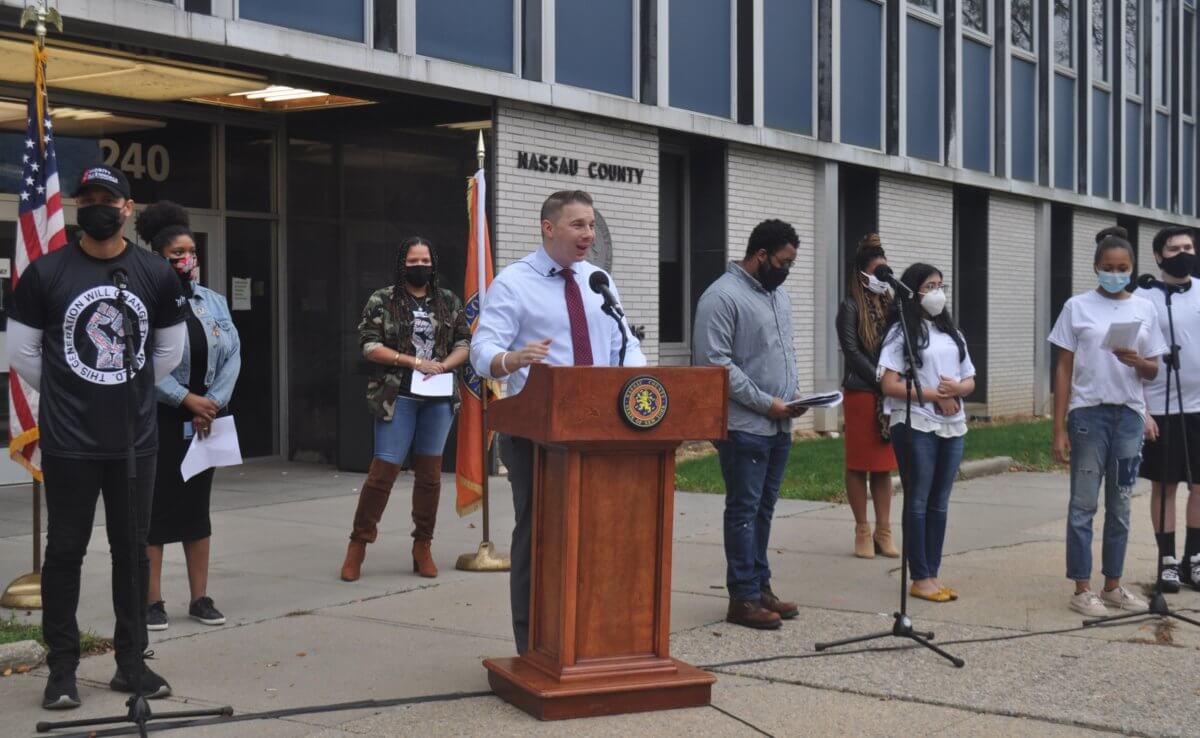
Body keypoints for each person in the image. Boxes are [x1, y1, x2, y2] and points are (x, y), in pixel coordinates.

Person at [6, 165, 187, 709]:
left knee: (132, 553)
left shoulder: (154, 273)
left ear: (128, 208)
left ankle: (131, 664)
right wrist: (70, 390)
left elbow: (168, 353)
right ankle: (61, 669)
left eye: (107, 198)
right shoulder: (46, 272)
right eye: (87, 198)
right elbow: (22, 354)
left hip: (134, 442)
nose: (96, 206)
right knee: (64, 553)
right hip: (69, 442)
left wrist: (125, 390)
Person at [470, 190, 646, 653]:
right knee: (540, 534)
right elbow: (481, 352)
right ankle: (533, 644)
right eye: (578, 225)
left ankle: (590, 636)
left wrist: (646, 378)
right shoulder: (513, 283)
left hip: (603, 432)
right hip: (536, 436)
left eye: (591, 225)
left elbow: (625, 347)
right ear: (549, 228)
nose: (589, 234)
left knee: (601, 533)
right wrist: (513, 358)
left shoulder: (599, 280)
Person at [692, 219, 807, 630]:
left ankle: (760, 587)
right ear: (760, 256)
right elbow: (714, 364)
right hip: (744, 425)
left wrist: (793, 396)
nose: (787, 270)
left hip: (779, 424)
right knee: (743, 509)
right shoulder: (721, 297)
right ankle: (741, 597)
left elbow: (779, 353)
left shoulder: (779, 297)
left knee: (764, 509)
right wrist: (766, 402)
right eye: (784, 261)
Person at [340, 237, 471, 581]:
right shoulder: (383, 300)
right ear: (402, 263)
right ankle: (358, 543)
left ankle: (422, 546)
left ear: (433, 262)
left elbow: (464, 342)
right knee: (383, 472)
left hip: (438, 398)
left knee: (429, 477)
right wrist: (412, 361)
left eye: (425, 259)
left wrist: (444, 366)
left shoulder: (447, 300)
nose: (420, 265)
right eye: (413, 260)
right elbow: (368, 345)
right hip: (396, 396)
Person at [136, 202, 241, 631]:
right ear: (158, 259)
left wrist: (211, 402)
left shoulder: (212, 300)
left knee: (197, 510)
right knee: (156, 511)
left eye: (190, 251)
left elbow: (233, 354)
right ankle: (152, 601)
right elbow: (142, 363)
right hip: (161, 418)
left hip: (207, 421)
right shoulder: (145, 302)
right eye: (176, 254)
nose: (186, 260)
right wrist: (186, 400)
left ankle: (200, 598)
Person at [1049, 231, 1165, 617]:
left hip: (1128, 416)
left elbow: (1154, 369)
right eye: (1108, 268)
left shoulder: (1145, 308)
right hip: (1088, 414)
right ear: (1096, 267)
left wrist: (1139, 362)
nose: (1115, 274)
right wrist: (1059, 427)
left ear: (1132, 269)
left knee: (1120, 506)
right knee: (1083, 503)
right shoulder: (1077, 307)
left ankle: (1113, 584)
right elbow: (1063, 366)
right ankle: (1082, 588)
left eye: (1123, 269)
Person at [878, 263, 975, 603]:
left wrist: (956, 391)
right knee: (918, 500)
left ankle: (933, 573)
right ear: (912, 291)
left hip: (952, 424)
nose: (937, 292)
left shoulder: (951, 332)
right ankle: (919, 576)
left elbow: (969, 379)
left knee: (940, 502)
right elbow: (889, 383)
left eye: (941, 285)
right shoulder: (900, 332)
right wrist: (936, 395)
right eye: (930, 286)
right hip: (917, 422)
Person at [1136, 226, 1200, 592]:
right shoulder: (1144, 297)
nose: (1184, 252)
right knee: (1166, 486)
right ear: (1159, 256)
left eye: (1189, 246)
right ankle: (1168, 562)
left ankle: (1195, 558)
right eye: (1174, 248)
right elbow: (1131, 358)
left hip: (1199, 407)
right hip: (1160, 406)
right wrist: (1142, 411)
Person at [835, 234, 899, 559]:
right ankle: (862, 528)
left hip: (889, 395)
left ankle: (884, 530)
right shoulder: (849, 306)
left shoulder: (893, 304)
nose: (882, 278)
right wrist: (879, 378)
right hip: (861, 392)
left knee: (884, 467)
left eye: (885, 271)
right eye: (877, 271)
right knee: (859, 464)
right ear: (862, 273)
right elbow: (850, 349)